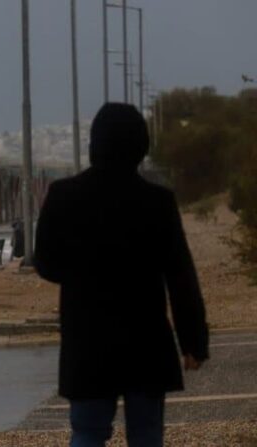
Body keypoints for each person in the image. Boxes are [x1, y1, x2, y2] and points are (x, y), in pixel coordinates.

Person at [34, 103, 209, 447]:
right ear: (141, 146)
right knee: (146, 434)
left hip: (87, 342)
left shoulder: (63, 195)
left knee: (87, 433)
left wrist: (83, 276)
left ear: (94, 144)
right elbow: (180, 276)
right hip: (146, 342)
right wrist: (193, 342)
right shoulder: (158, 202)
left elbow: (46, 263)